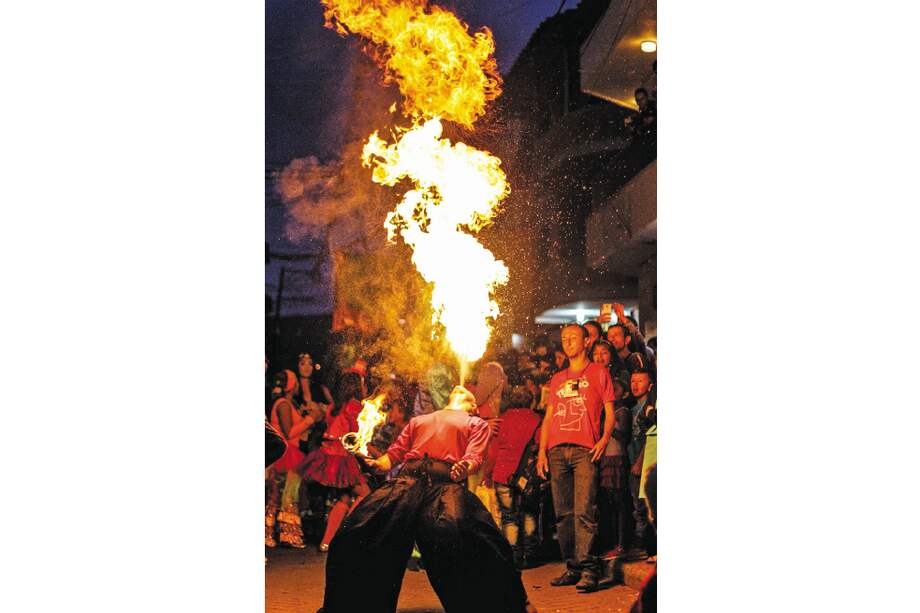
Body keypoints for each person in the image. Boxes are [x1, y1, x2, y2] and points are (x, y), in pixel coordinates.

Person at [319, 386, 538, 613]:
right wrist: (374, 464)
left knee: (478, 537)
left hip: (444, 487)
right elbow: (392, 457)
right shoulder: (419, 421)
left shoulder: (476, 423)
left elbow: (474, 457)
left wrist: (464, 467)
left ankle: (508, 605)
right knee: (357, 530)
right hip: (407, 484)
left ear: (473, 407)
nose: (460, 388)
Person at [536, 323, 615, 593]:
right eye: (564, 338)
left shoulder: (599, 372)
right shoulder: (557, 378)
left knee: (584, 511)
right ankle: (573, 567)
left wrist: (604, 439)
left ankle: (589, 569)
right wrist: (542, 452)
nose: (567, 341)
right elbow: (548, 418)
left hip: (584, 450)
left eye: (573, 337)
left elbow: (610, 412)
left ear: (586, 341)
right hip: (557, 451)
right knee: (563, 513)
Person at [300, 371, 370, 552]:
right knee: (365, 494)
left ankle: (326, 542)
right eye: (362, 383)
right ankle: (344, 534)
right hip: (341, 459)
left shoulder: (334, 406)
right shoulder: (355, 405)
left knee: (344, 498)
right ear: (356, 387)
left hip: (328, 456)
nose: (365, 387)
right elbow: (356, 432)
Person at [493, 386, 544, 569]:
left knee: (509, 517)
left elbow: (494, 448)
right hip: (526, 475)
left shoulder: (502, 419)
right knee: (529, 512)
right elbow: (540, 444)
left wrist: (488, 474)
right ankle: (530, 554)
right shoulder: (536, 419)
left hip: (503, 472)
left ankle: (513, 555)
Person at [267, 370, 317, 548]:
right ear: (290, 385)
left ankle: (272, 533)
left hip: (287, 453)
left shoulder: (287, 404)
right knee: (286, 495)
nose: (297, 386)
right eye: (294, 382)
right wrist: (310, 419)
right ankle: (287, 535)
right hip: (287, 454)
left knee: (279, 495)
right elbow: (289, 433)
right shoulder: (283, 405)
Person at [626, 367, 656, 561]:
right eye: (633, 381)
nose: (635, 385)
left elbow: (650, 437)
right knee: (638, 507)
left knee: (645, 508)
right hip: (633, 461)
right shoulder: (632, 409)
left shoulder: (649, 408)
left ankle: (649, 548)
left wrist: (639, 462)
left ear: (650, 385)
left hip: (644, 464)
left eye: (640, 381)